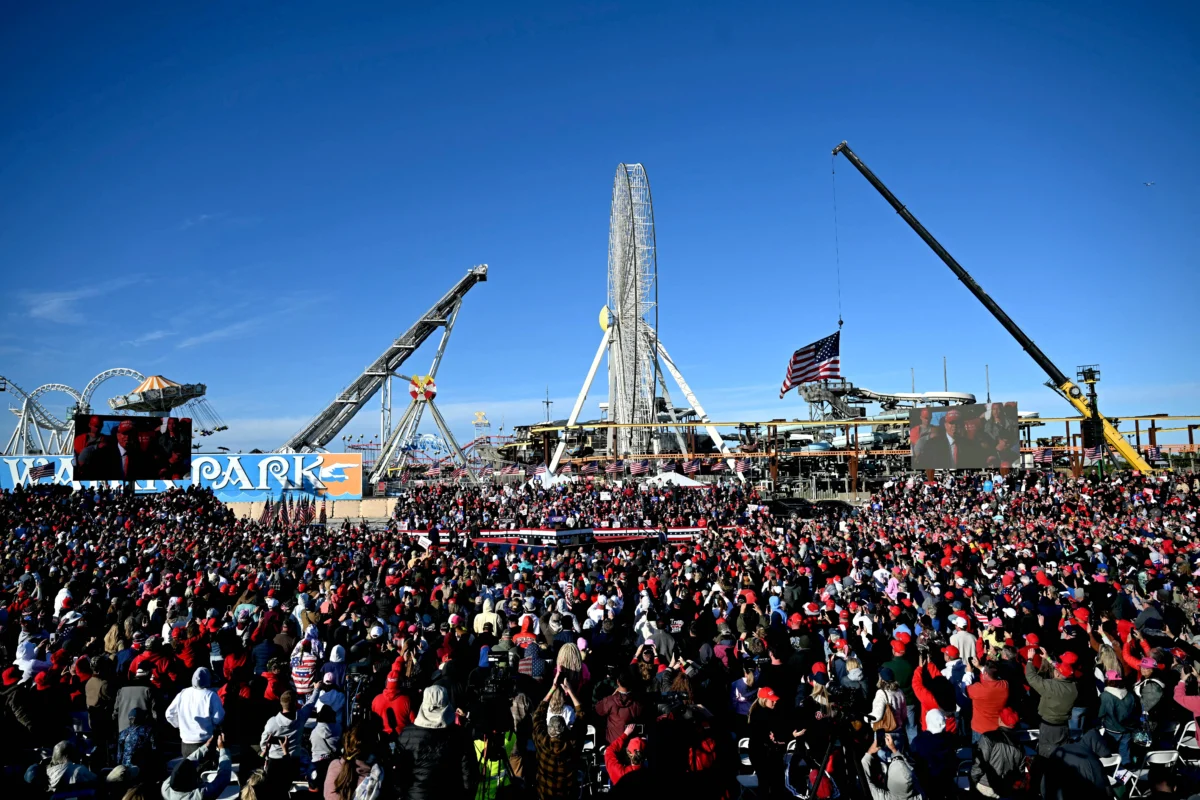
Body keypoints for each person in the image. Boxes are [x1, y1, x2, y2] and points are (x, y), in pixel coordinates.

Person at [395, 685, 474, 800]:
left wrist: (402, 793)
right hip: (450, 793)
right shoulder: (459, 734)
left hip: (416, 795)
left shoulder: (407, 733)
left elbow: (400, 772)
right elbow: (468, 772)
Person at [531, 674, 585, 800]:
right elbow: (582, 716)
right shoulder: (572, 744)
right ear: (566, 730)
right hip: (567, 794)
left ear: (548, 729)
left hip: (545, 794)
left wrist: (553, 688)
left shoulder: (542, 741)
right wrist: (570, 691)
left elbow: (537, 716)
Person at [1025, 648, 1078, 758]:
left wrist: (1029, 660)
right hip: (1063, 727)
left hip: (1048, 727)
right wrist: (1048, 658)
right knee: (1063, 754)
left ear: (1058, 674)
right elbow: (1063, 670)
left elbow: (1031, 677)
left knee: (1045, 754)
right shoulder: (1074, 687)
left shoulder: (1051, 686)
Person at [166, 667, 225, 756]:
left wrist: (180, 725)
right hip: (205, 741)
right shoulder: (210, 695)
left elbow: (169, 714)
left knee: (188, 768)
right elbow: (218, 717)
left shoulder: (183, 693)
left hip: (185, 743)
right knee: (205, 768)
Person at [970, 707, 1026, 798]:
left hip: (986, 786)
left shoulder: (988, 738)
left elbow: (979, 764)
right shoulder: (1020, 746)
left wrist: (974, 780)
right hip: (1005, 789)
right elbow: (1020, 772)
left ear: (1000, 720)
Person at [161, 733, 232, 800]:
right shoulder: (198, 796)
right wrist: (223, 749)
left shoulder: (166, 787)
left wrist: (205, 747)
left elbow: (188, 760)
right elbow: (224, 777)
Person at [1096, 669, 1137, 766]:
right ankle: (1125, 773)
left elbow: (1101, 713)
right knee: (1125, 755)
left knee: (1108, 753)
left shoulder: (1105, 696)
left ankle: (1110, 770)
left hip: (1111, 730)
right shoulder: (1130, 695)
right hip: (1127, 730)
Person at [594, 670, 643, 745]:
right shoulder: (637, 702)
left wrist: (613, 694)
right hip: (630, 743)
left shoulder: (610, 700)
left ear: (618, 682)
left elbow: (598, 709)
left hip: (613, 742)